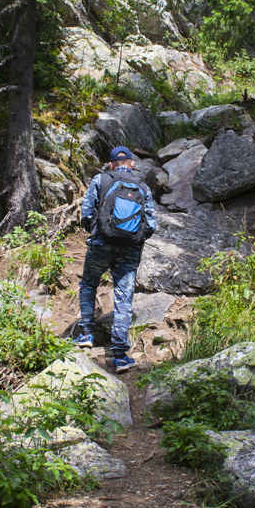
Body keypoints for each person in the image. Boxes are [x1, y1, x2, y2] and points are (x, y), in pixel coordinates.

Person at [77, 145, 157, 372]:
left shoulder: (100, 180)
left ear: (112, 164)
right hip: (130, 249)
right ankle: (120, 355)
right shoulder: (142, 186)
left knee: (89, 284)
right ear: (131, 163)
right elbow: (151, 224)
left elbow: (86, 214)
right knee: (124, 296)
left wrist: (96, 231)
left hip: (101, 244)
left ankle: (86, 334)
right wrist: (135, 239)